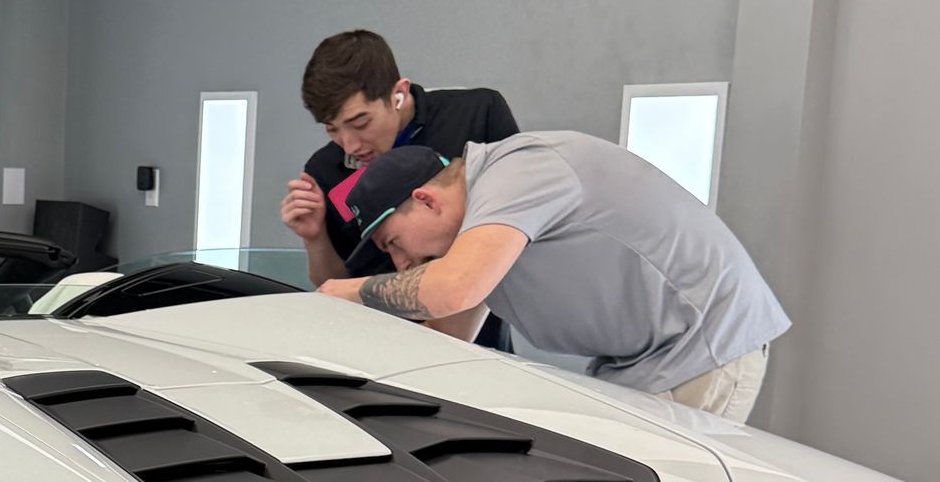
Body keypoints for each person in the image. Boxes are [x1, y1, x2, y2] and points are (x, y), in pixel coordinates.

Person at [319, 131, 789, 421]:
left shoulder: (519, 171)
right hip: (639, 359)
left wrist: (348, 294)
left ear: (426, 201)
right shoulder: (485, 230)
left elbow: (451, 290)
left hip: (698, 344)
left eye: (393, 243)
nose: (401, 262)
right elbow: (446, 334)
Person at [280, 29, 517, 289]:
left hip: (478, 297)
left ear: (398, 94)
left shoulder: (477, 113)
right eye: (332, 129)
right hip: (377, 312)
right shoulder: (325, 170)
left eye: (360, 123)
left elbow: (517, 215)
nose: (349, 145)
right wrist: (315, 238)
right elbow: (335, 286)